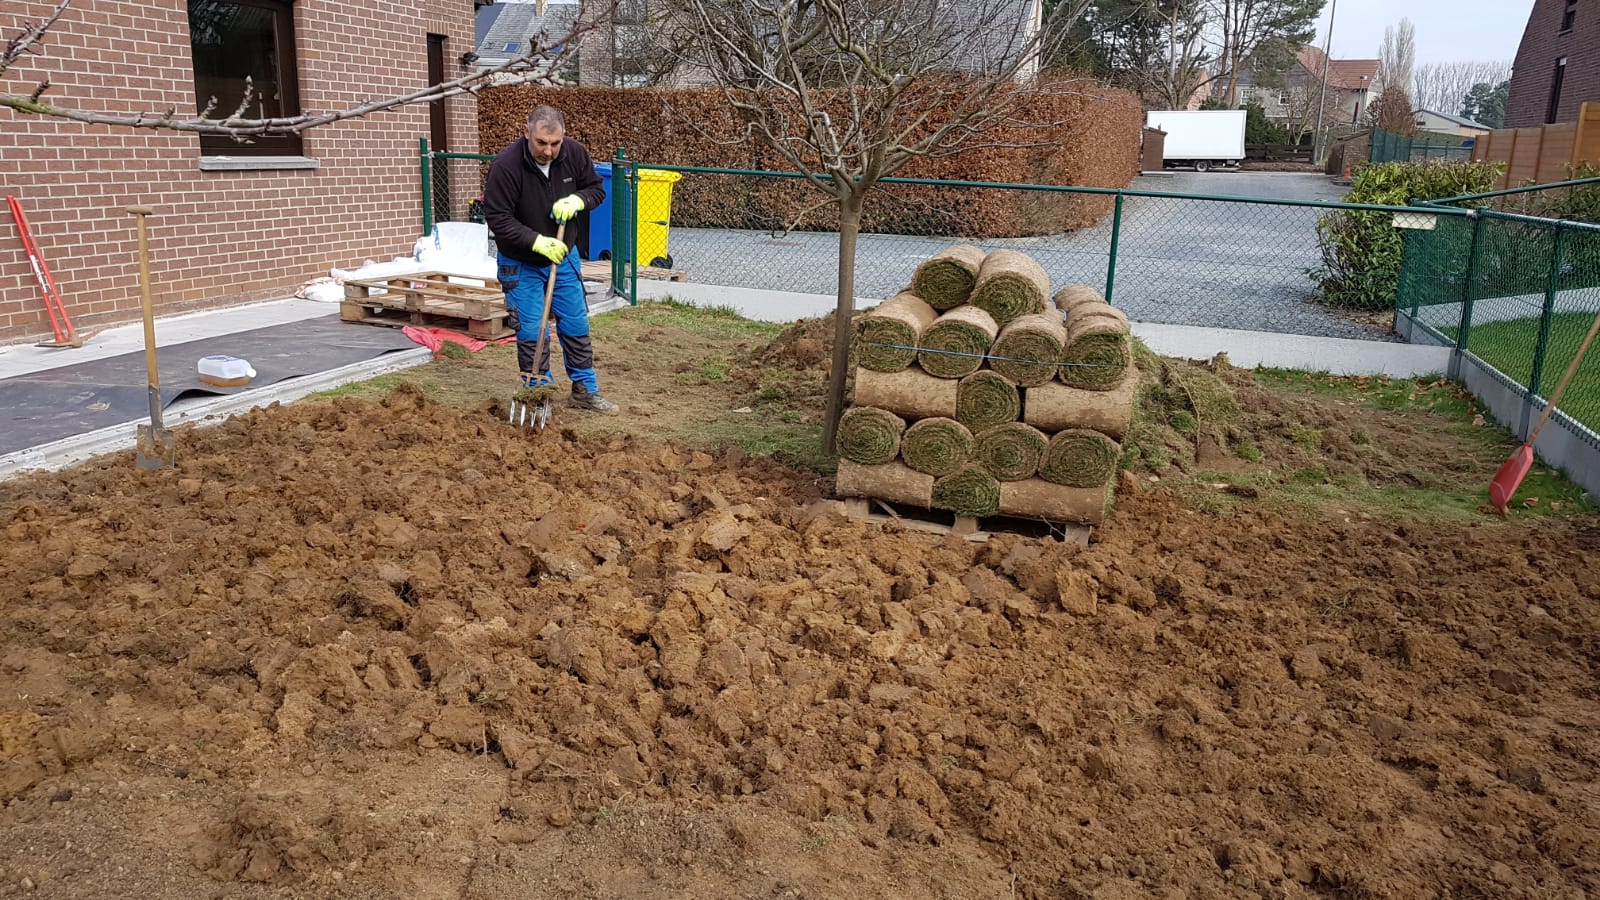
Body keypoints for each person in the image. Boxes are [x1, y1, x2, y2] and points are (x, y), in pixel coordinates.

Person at [483, 105, 618, 414]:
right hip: (520, 261)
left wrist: (579, 200)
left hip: (564, 255)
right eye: (541, 143)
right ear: (527, 132)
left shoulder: (574, 154)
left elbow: (596, 189)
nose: (548, 150)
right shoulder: (506, 166)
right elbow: (498, 218)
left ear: (563, 137)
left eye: (555, 143)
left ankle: (584, 390)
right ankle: (538, 391)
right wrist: (537, 241)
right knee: (532, 329)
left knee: (575, 323)